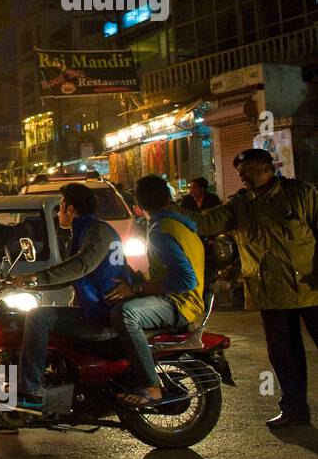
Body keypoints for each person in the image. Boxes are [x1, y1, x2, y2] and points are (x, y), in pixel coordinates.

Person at [187, 148, 318, 429]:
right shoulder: (241, 205)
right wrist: (167, 211)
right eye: (239, 172)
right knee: (283, 354)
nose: (242, 176)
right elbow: (207, 222)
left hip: (311, 287)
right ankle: (295, 410)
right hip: (270, 291)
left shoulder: (300, 194)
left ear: (265, 166)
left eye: (246, 170)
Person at [11, 183, 132, 411]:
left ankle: (31, 391)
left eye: (61, 207)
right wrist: (31, 284)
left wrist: (37, 277)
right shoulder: (86, 232)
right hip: (97, 308)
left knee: (38, 317)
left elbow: (81, 266)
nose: (58, 213)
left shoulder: (96, 231)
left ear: (71, 208)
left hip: (102, 313)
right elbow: (76, 275)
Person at [104, 175, 205, 408]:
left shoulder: (161, 230)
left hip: (179, 303)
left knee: (126, 314)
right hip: (181, 299)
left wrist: (136, 288)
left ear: (137, 207)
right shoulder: (177, 224)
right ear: (168, 197)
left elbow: (185, 280)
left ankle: (151, 385)